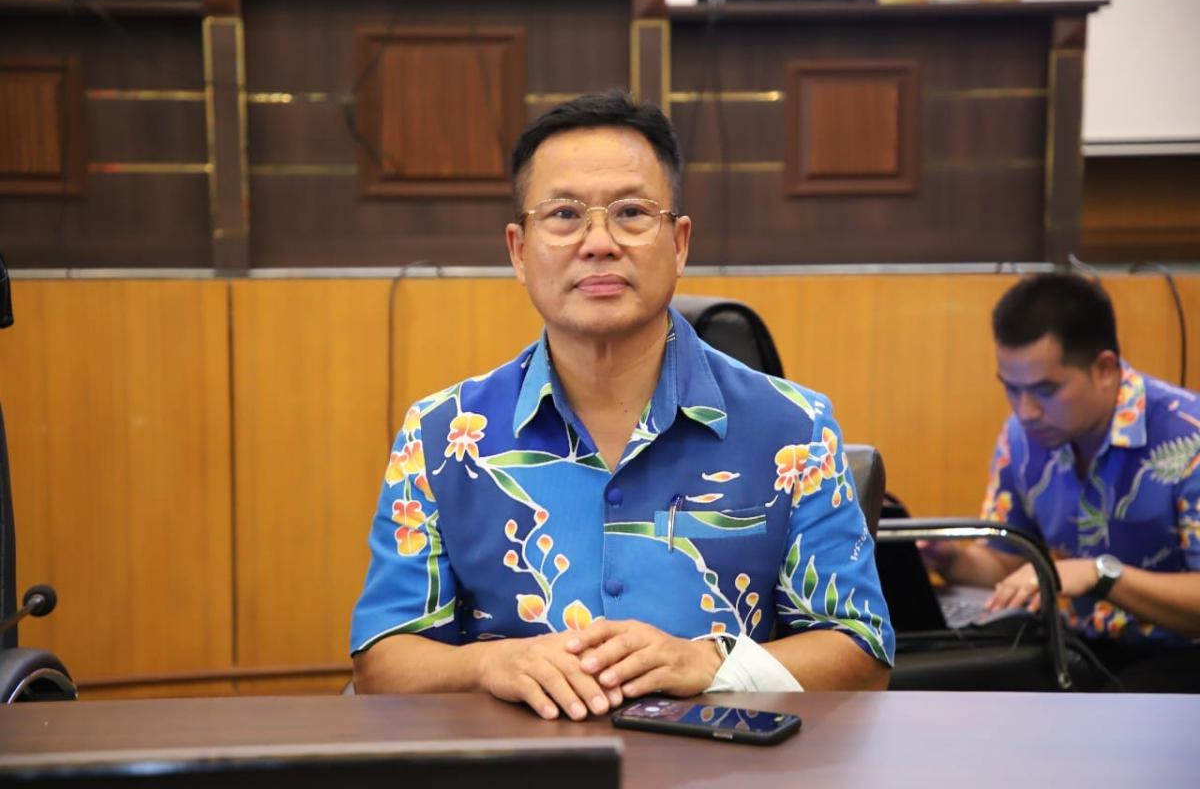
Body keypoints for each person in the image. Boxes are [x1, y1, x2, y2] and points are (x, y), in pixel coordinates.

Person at [350, 92, 894, 719]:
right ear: (519, 251)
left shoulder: (792, 428)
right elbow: (380, 661)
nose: (599, 242)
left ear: (679, 243)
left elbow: (863, 652)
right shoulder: (442, 435)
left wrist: (714, 664)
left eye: (632, 213)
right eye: (563, 215)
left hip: (722, 762)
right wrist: (489, 664)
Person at [927, 272, 1200, 691]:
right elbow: (1013, 563)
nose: (1025, 411)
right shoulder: (1021, 439)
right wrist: (952, 562)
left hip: (1178, 655)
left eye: (1045, 390)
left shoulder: (1188, 435)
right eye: (1011, 389)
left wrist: (1100, 575)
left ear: (1104, 369)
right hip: (1071, 645)